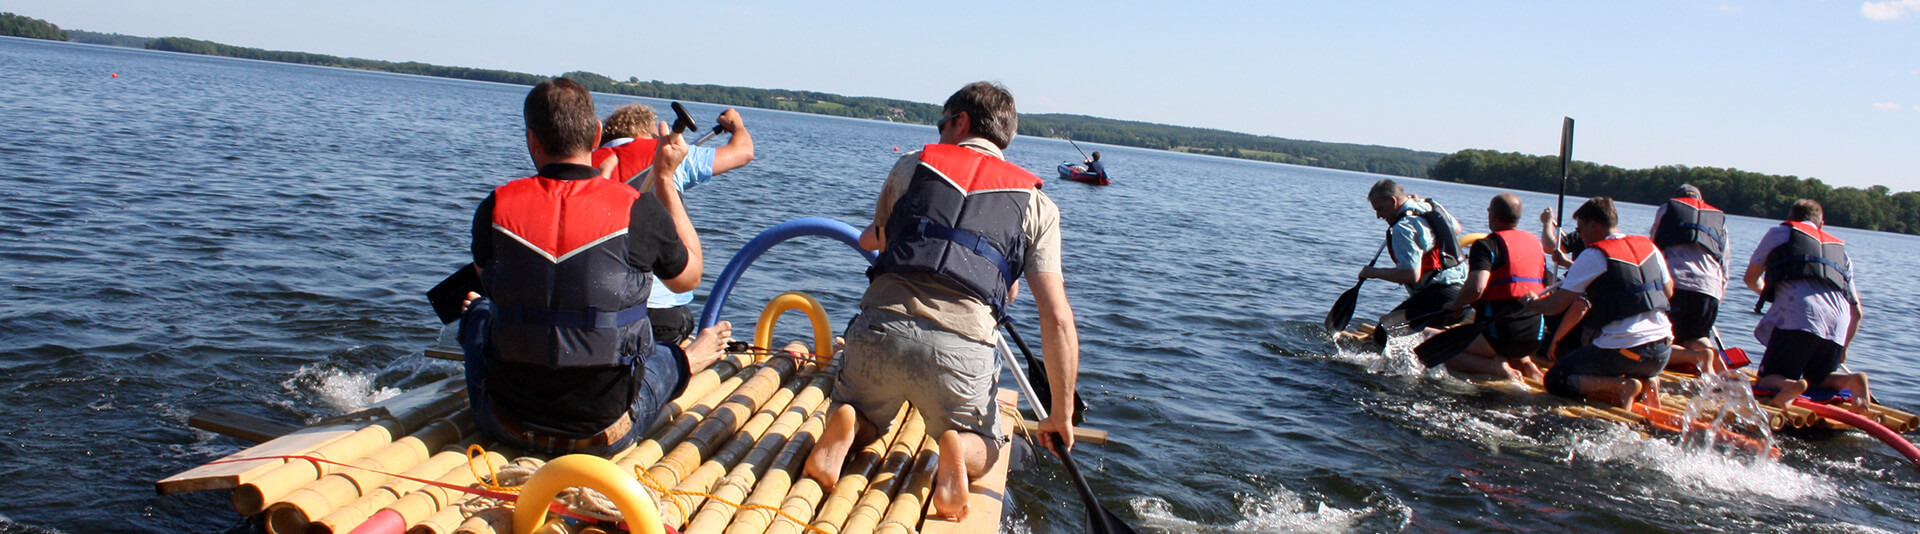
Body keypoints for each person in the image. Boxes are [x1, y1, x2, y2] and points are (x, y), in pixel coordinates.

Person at [803, 82, 1081, 521]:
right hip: (960, 353)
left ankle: (854, 423)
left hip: (881, 331)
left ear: (961, 122)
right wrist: (1060, 414)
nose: (936, 134)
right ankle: (958, 446)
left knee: (863, 409)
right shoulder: (1037, 204)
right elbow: (1058, 319)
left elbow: (876, 239)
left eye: (940, 124)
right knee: (990, 446)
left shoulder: (912, 166)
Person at [457, 78, 733, 457]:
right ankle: (691, 357)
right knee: (667, 354)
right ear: (596, 134)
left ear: (532, 141)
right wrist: (665, 179)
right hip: (607, 429)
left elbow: (487, 278)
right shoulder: (638, 208)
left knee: (478, 311)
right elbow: (690, 275)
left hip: (507, 421)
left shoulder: (494, 206)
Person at [593, 103, 757, 346]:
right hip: (661, 314)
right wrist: (737, 126)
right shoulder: (665, 154)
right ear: (647, 132)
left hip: (600, 308)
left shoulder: (585, 163)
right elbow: (744, 151)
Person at [1528, 198, 1674, 408]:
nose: (1580, 236)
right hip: (1662, 348)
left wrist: (1532, 303)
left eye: (1580, 229)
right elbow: (1668, 291)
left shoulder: (1595, 254)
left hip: (1626, 350)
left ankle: (1623, 386)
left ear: (1594, 225)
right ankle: (1648, 379)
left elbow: (1555, 305)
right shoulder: (1649, 246)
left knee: (1555, 378)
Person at [1742, 199, 1870, 411]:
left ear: (1791, 218)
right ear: (1821, 224)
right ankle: (1850, 380)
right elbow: (1856, 312)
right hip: (1839, 320)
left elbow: (1751, 279)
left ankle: (1789, 385)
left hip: (1800, 315)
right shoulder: (1842, 254)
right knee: (1820, 378)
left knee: (1767, 378)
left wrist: (1775, 296)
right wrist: (1843, 348)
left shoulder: (1780, 233)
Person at [1438, 193, 1546, 381]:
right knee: (1515, 329)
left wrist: (1455, 306)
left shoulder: (1486, 245)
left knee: (1434, 344)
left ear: (1493, 215)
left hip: (1500, 336)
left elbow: (1476, 289)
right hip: (1534, 336)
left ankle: (1493, 367)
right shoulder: (1535, 243)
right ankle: (1529, 365)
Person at [1360, 179, 1468, 345]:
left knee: (1384, 332)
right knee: (1398, 324)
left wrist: (1373, 273)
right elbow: (1457, 228)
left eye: (1380, 209)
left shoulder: (1403, 228)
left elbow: (1411, 275)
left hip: (1443, 299)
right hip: (1464, 295)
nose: (1378, 215)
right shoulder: (1431, 205)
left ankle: (1440, 345)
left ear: (1393, 201)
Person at [1649, 184, 1730, 375]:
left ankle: (1697, 357)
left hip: (1676, 283)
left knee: (1656, 344)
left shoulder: (1667, 209)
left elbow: (1652, 249)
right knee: (1698, 335)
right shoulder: (1719, 219)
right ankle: (1709, 357)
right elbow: (1725, 264)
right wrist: (1717, 299)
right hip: (1709, 288)